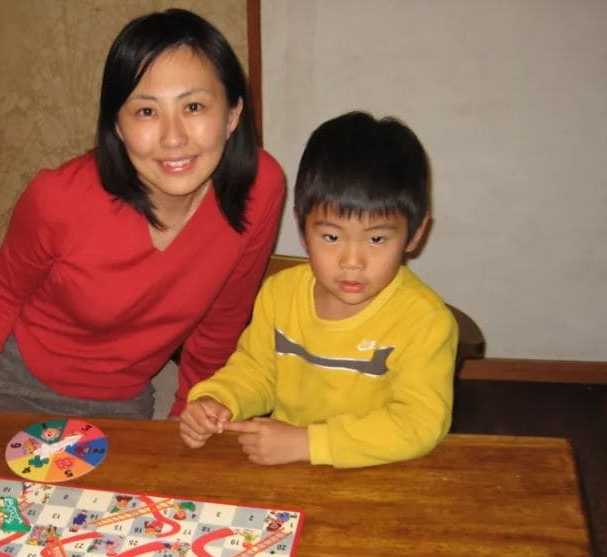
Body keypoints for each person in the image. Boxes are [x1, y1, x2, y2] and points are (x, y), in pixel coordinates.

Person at [0, 9, 286, 444]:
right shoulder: (59, 198)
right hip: (13, 385)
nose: (173, 137)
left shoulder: (260, 188)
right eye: (147, 111)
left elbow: (221, 322)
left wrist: (186, 415)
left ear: (232, 115)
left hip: (123, 399)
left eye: (194, 107)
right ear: (117, 124)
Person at [179, 111, 457, 468]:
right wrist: (217, 400)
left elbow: (419, 425)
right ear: (301, 229)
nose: (351, 261)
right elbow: (257, 371)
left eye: (376, 239)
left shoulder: (426, 321)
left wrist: (309, 443)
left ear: (415, 235)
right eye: (330, 236)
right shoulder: (280, 294)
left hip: (379, 468)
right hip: (285, 461)